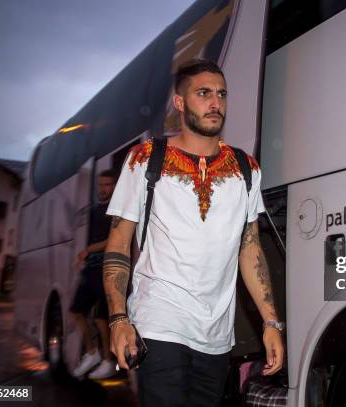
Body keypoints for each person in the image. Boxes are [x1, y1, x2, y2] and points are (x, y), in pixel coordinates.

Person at [103, 58, 284, 406]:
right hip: (159, 322)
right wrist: (117, 317)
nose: (216, 103)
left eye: (222, 94)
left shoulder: (247, 167)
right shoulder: (145, 158)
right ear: (180, 102)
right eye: (204, 93)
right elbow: (118, 242)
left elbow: (250, 250)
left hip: (216, 334)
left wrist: (271, 323)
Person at [69, 169, 118, 379]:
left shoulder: (118, 210)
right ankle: (92, 353)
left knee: (100, 318)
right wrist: (83, 258)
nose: (103, 189)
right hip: (91, 268)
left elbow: (113, 241)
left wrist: (88, 250)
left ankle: (107, 361)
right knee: (76, 311)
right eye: (100, 185)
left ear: (115, 187)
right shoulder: (95, 210)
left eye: (107, 185)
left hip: (107, 269)